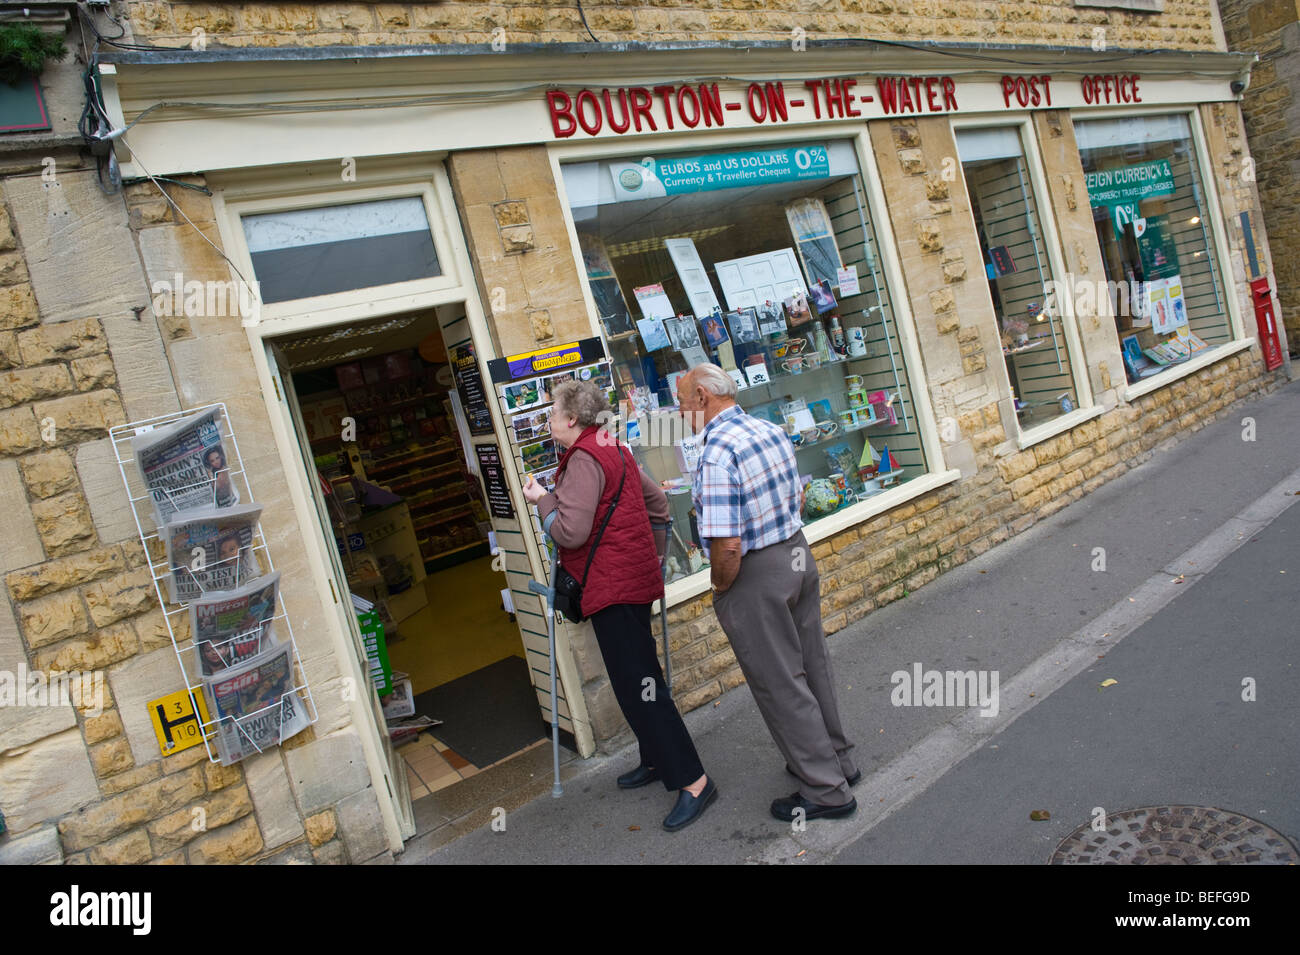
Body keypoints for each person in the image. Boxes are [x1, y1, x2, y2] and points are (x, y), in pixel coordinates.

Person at [522, 379, 718, 832]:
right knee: (638, 681)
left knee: (641, 685)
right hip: (630, 581)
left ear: (572, 419)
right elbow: (656, 502)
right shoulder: (612, 444)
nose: (548, 419)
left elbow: (569, 532)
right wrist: (649, 556)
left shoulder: (585, 459)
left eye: (552, 412)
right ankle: (655, 758)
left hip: (613, 587)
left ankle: (694, 782)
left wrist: (541, 500)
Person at [676, 363, 859, 823]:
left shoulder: (716, 451)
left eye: (681, 404)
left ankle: (826, 791)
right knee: (811, 664)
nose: (681, 415)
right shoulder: (767, 429)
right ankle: (838, 762)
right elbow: (796, 498)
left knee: (780, 683)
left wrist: (720, 585)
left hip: (757, 572)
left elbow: (727, 543)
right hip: (797, 554)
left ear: (702, 396)